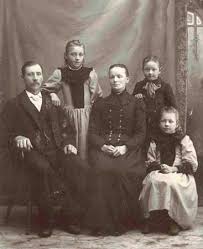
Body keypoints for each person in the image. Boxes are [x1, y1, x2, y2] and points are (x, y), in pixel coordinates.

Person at [1, 61, 89, 237]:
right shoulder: (14, 104)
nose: (35, 78)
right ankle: (46, 219)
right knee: (42, 168)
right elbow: (3, 134)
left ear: (42, 76)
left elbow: (67, 128)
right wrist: (17, 137)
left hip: (56, 150)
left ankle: (69, 215)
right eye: (30, 74)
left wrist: (68, 143)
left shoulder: (52, 101)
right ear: (23, 77)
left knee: (79, 166)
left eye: (38, 74)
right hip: (29, 153)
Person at [82, 64, 146, 236]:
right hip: (103, 148)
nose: (115, 80)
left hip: (128, 149)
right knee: (101, 170)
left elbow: (141, 133)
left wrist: (126, 147)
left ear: (127, 79)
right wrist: (103, 145)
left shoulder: (136, 103)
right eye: (112, 77)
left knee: (120, 171)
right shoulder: (100, 103)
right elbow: (93, 132)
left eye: (119, 76)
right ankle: (101, 223)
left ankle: (122, 222)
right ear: (108, 79)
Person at [139, 106, 198, 236]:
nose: (166, 124)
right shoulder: (155, 140)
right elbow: (150, 160)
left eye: (170, 121)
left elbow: (191, 163)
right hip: (160, 171)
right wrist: (160, 167)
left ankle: (173, 220)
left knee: (171, 183)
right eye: (163, 121)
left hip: (179, 173)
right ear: (159, 123)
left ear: (176, 124)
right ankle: (152, 219)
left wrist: (174, 169)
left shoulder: (184, 139)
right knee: (153, 181)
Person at [43, 40, 103, 160]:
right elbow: (44, 89)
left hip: (87, 117)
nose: (77, 58)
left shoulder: (90, 73)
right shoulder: (60, 73)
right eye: (73, 54)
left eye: (80, 55)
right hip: (68, 118)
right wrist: (52, 94)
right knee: (70, 147)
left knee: (87, 149)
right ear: (66, 55)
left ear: (84, 56)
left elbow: (98, 95)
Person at [133, 56, 176, 149]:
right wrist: (136, 98)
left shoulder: (165, 87)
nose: (150, 72)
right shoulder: (139, 86)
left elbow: (173, 108)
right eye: (147, 69)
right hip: (143, 125)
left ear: (159, 70)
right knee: (143, 148)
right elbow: (132, 106)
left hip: (160, 125)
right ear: (143, 70)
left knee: (159, 148)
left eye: (153, 69)